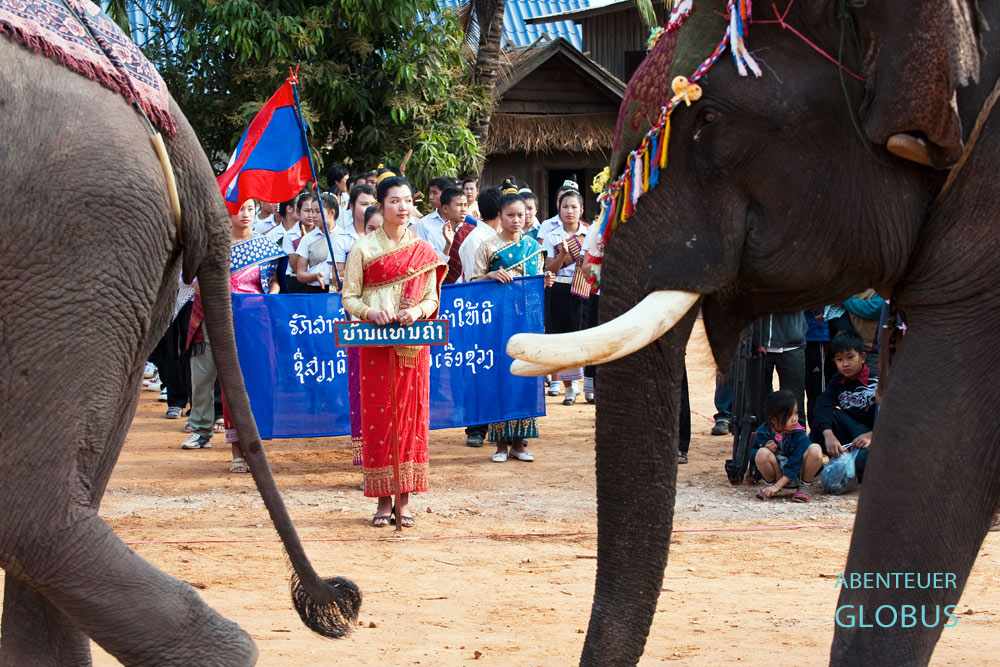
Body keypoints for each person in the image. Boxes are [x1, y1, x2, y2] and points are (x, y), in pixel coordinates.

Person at [340, 175, 446, 527]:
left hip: (413, 347)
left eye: (407, 201)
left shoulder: (423, 250)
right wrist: (370, 313)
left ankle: (405, 500)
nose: (403, 207)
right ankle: (383, 501)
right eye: (394, 201)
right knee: (379, 418)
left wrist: (416, 312)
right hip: (374, 345)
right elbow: (349, 297)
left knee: (411, 419)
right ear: (381, 205)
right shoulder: (363, 248)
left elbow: (431, 298)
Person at [181, 199, 283, 474]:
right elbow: (196, 284)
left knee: (253, 380)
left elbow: (274, 281)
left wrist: (271, 296)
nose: (245, 214)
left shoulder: (266, 246)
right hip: (215, 316)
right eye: (239, 208)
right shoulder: (213, 246)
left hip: (254, 321)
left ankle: (254, 439)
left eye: (250, 208)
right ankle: (201, 429)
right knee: (206, 373)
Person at [471, 189, 544, 462]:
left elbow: (536, 285)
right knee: (500, 377)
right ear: (500, 216)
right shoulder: (487, 247)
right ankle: (500, 445)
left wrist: (545, 283)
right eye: (510, 215)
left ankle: (519, 444)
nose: (516, 220)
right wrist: (490, 276)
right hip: (497, 322)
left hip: (526, 320)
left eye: (521, 215)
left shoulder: (534, 247)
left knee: (525, 377)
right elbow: (472, 284)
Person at [541, 189, 589, 404]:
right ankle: (569, 386)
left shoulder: (590, 234)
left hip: (583, 289)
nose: (569, 211)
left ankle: (587, 385)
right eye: (565, 207)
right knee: (559, 336)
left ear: (581, 210)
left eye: (574, 207)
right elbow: (548, 268)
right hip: (558, 289)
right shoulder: (552, 235)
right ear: (558, 209)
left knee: (581, 336)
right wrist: (563, 254)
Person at [810, 329, 877, 481]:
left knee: (862, 461)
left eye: (850, 357)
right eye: (839, 359)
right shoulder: (838, 380)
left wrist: (873, 435)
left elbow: (891, 417)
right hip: (850, 433)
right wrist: (828, 434)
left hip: (872, 436)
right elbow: (821, 405)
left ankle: (853, 468)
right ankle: (815, 465)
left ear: (862, 357)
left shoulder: (877, 381)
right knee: (821, 422)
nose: (845, 364)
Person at [752, 390, 823, 502]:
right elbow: (751, 455)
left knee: (815, 449)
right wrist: (765, 448)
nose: (794, 418)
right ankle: (769, 486)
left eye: (796, 413)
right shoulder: (764, 431)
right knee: (761, 453)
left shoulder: (799, 433)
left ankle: (804, 486)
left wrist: (778, 485)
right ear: (773, 419)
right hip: (777, 474)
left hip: (797, 473)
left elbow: (796, 462)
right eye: (789, 415)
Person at [293, 193, 336, 292]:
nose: (313, 215)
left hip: (338, 290)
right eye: (312, 211)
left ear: (331, 213)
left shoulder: (342, 236)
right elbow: (300, 274)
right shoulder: (307, 239)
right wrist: (315, 276)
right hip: (314, 290)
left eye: (318, 212)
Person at [332, 184, 377, 278]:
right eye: (364, 204)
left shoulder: (384, 234)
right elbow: (337, 275)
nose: (369, 208)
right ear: (351, 206)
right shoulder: (342, 238)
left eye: (373, 204)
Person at [415, 176, 459, 260]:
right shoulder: (424, 223)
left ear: (447, 194)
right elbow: (423, 253)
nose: (431, 197)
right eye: (430, 193)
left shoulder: (462, 221)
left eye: (435, 193)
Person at [265, 197, 303, 292]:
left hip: (299, 282)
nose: (301, 210)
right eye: (298, 206)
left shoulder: (303, 232)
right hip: (279, 281)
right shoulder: (272, 235)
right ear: (289, 208)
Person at [438, 187, 472, 284]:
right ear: (445, 208)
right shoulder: (435, 233)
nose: (463, 209)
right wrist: (448, 245)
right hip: (444, 286)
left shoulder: (472, 231)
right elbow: (435, 267)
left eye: (465, 205)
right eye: (459, 205)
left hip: (467, 284)